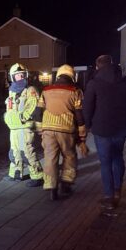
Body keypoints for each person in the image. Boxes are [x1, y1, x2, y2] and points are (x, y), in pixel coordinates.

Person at [83, 55, 126, 212]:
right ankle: (117, 190)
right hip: (121, 129)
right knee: (118, 158)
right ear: (113, 64)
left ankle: (109, 196)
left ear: (97, 66)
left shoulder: (94, 83)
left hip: (102, 129)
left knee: (106, 162)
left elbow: (87, 107)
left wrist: (87, 125)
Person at [36, 65, 86, 201]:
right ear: (72, 76)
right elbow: (79, 114)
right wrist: (82, 133)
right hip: (66, 130)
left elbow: (38, 111)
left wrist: (40, 129)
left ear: (58, 76)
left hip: (48, 129)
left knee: (50, 158)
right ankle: (66, 184)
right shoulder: (75, 91)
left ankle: (51, 186)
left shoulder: (46, 90)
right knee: (69, 156)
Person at [4, 63, 43, 186]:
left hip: (24, 127)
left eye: (22, 75)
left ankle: (37, 176)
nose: (20, 77)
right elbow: (10, 108)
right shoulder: (12, 91)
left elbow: (33, 106)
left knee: (27, 153)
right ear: (12, 77)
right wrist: (8, 117)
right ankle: (16, 174)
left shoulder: (30, 90)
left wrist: (22, 117)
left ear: (25, 75)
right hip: (14, 127)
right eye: (17, 75)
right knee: (14, 152)